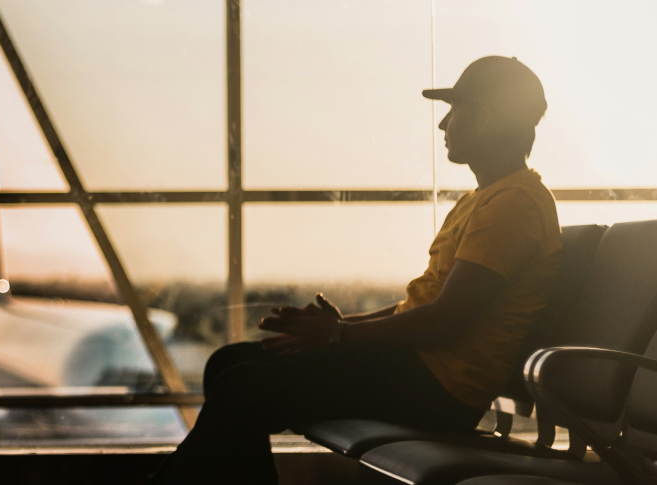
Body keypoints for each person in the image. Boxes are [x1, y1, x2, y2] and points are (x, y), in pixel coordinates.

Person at [148, 56, 562, 484]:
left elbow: (446, 322)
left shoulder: (514, 205)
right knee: (227, 363)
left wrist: (339, 336)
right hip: (415, 370)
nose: (443, 126)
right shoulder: (484, 199)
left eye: (454, 112)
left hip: (438, 390)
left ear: (486, 118)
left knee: (242, 387)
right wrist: (339, 327)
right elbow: (421, 307)